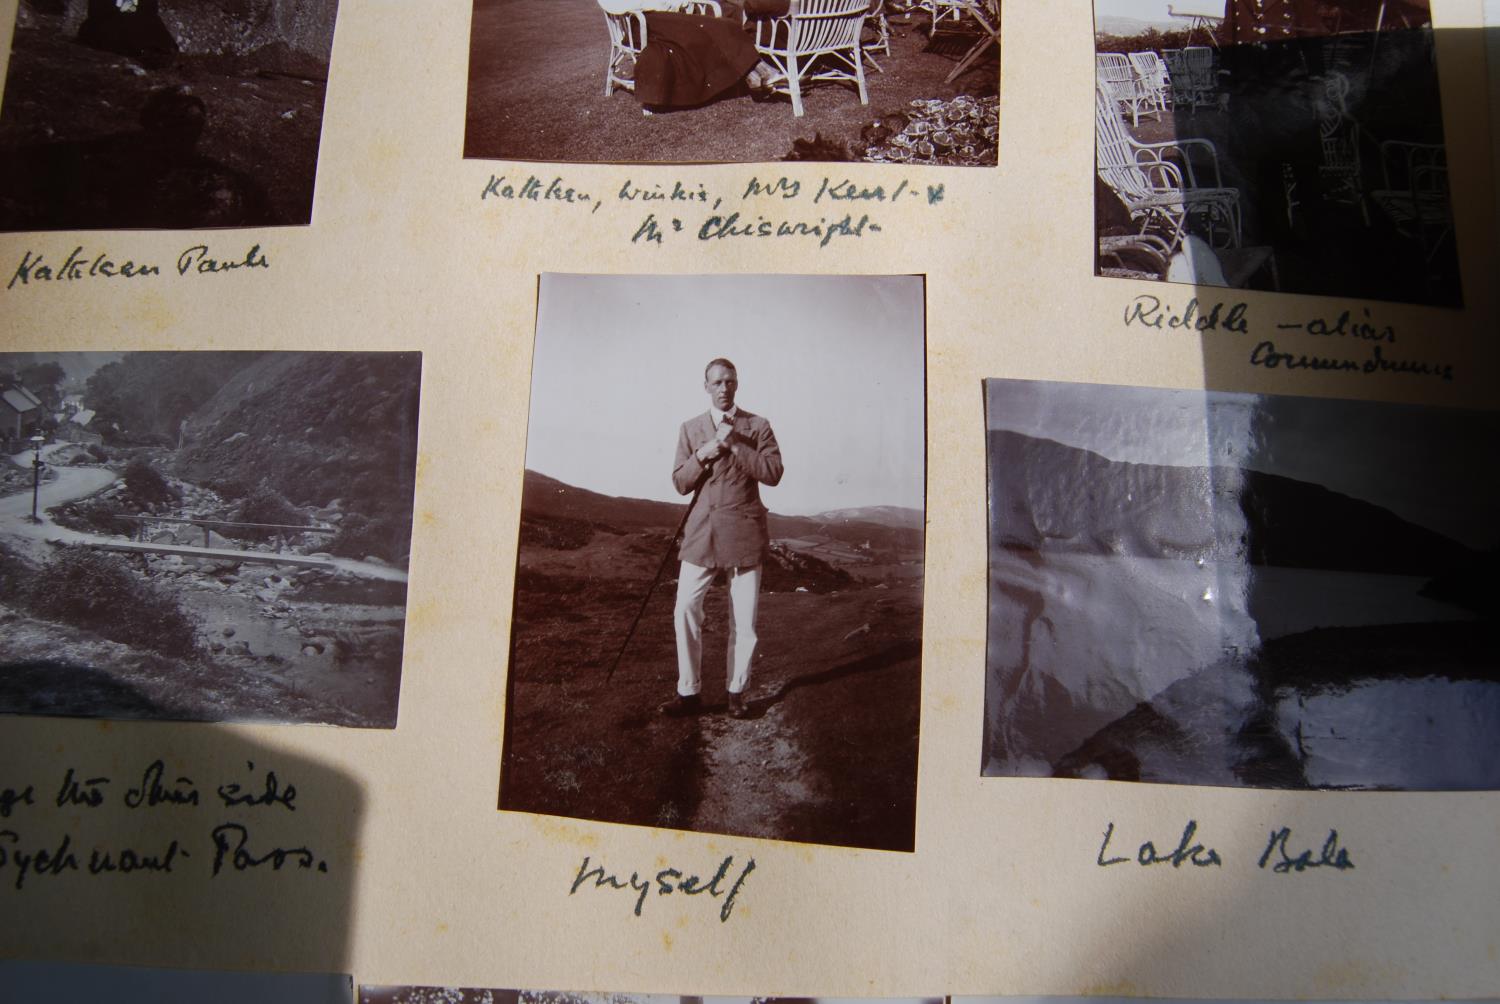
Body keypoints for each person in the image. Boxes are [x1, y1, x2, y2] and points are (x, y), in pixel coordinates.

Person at [662, 359, 783, 719]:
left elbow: (773, 472)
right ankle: (688, 693)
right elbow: (680, 482)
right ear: (706, 386)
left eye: (729, 381)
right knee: (684, 607)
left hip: (744, 532)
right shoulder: (690, 428)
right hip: (701, 533)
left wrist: (733, 447)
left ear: (737, 384)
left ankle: (736, 693)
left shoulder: (758, 426)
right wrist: (704, 453)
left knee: (743, 621)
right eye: (716, 382)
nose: (723, 388)